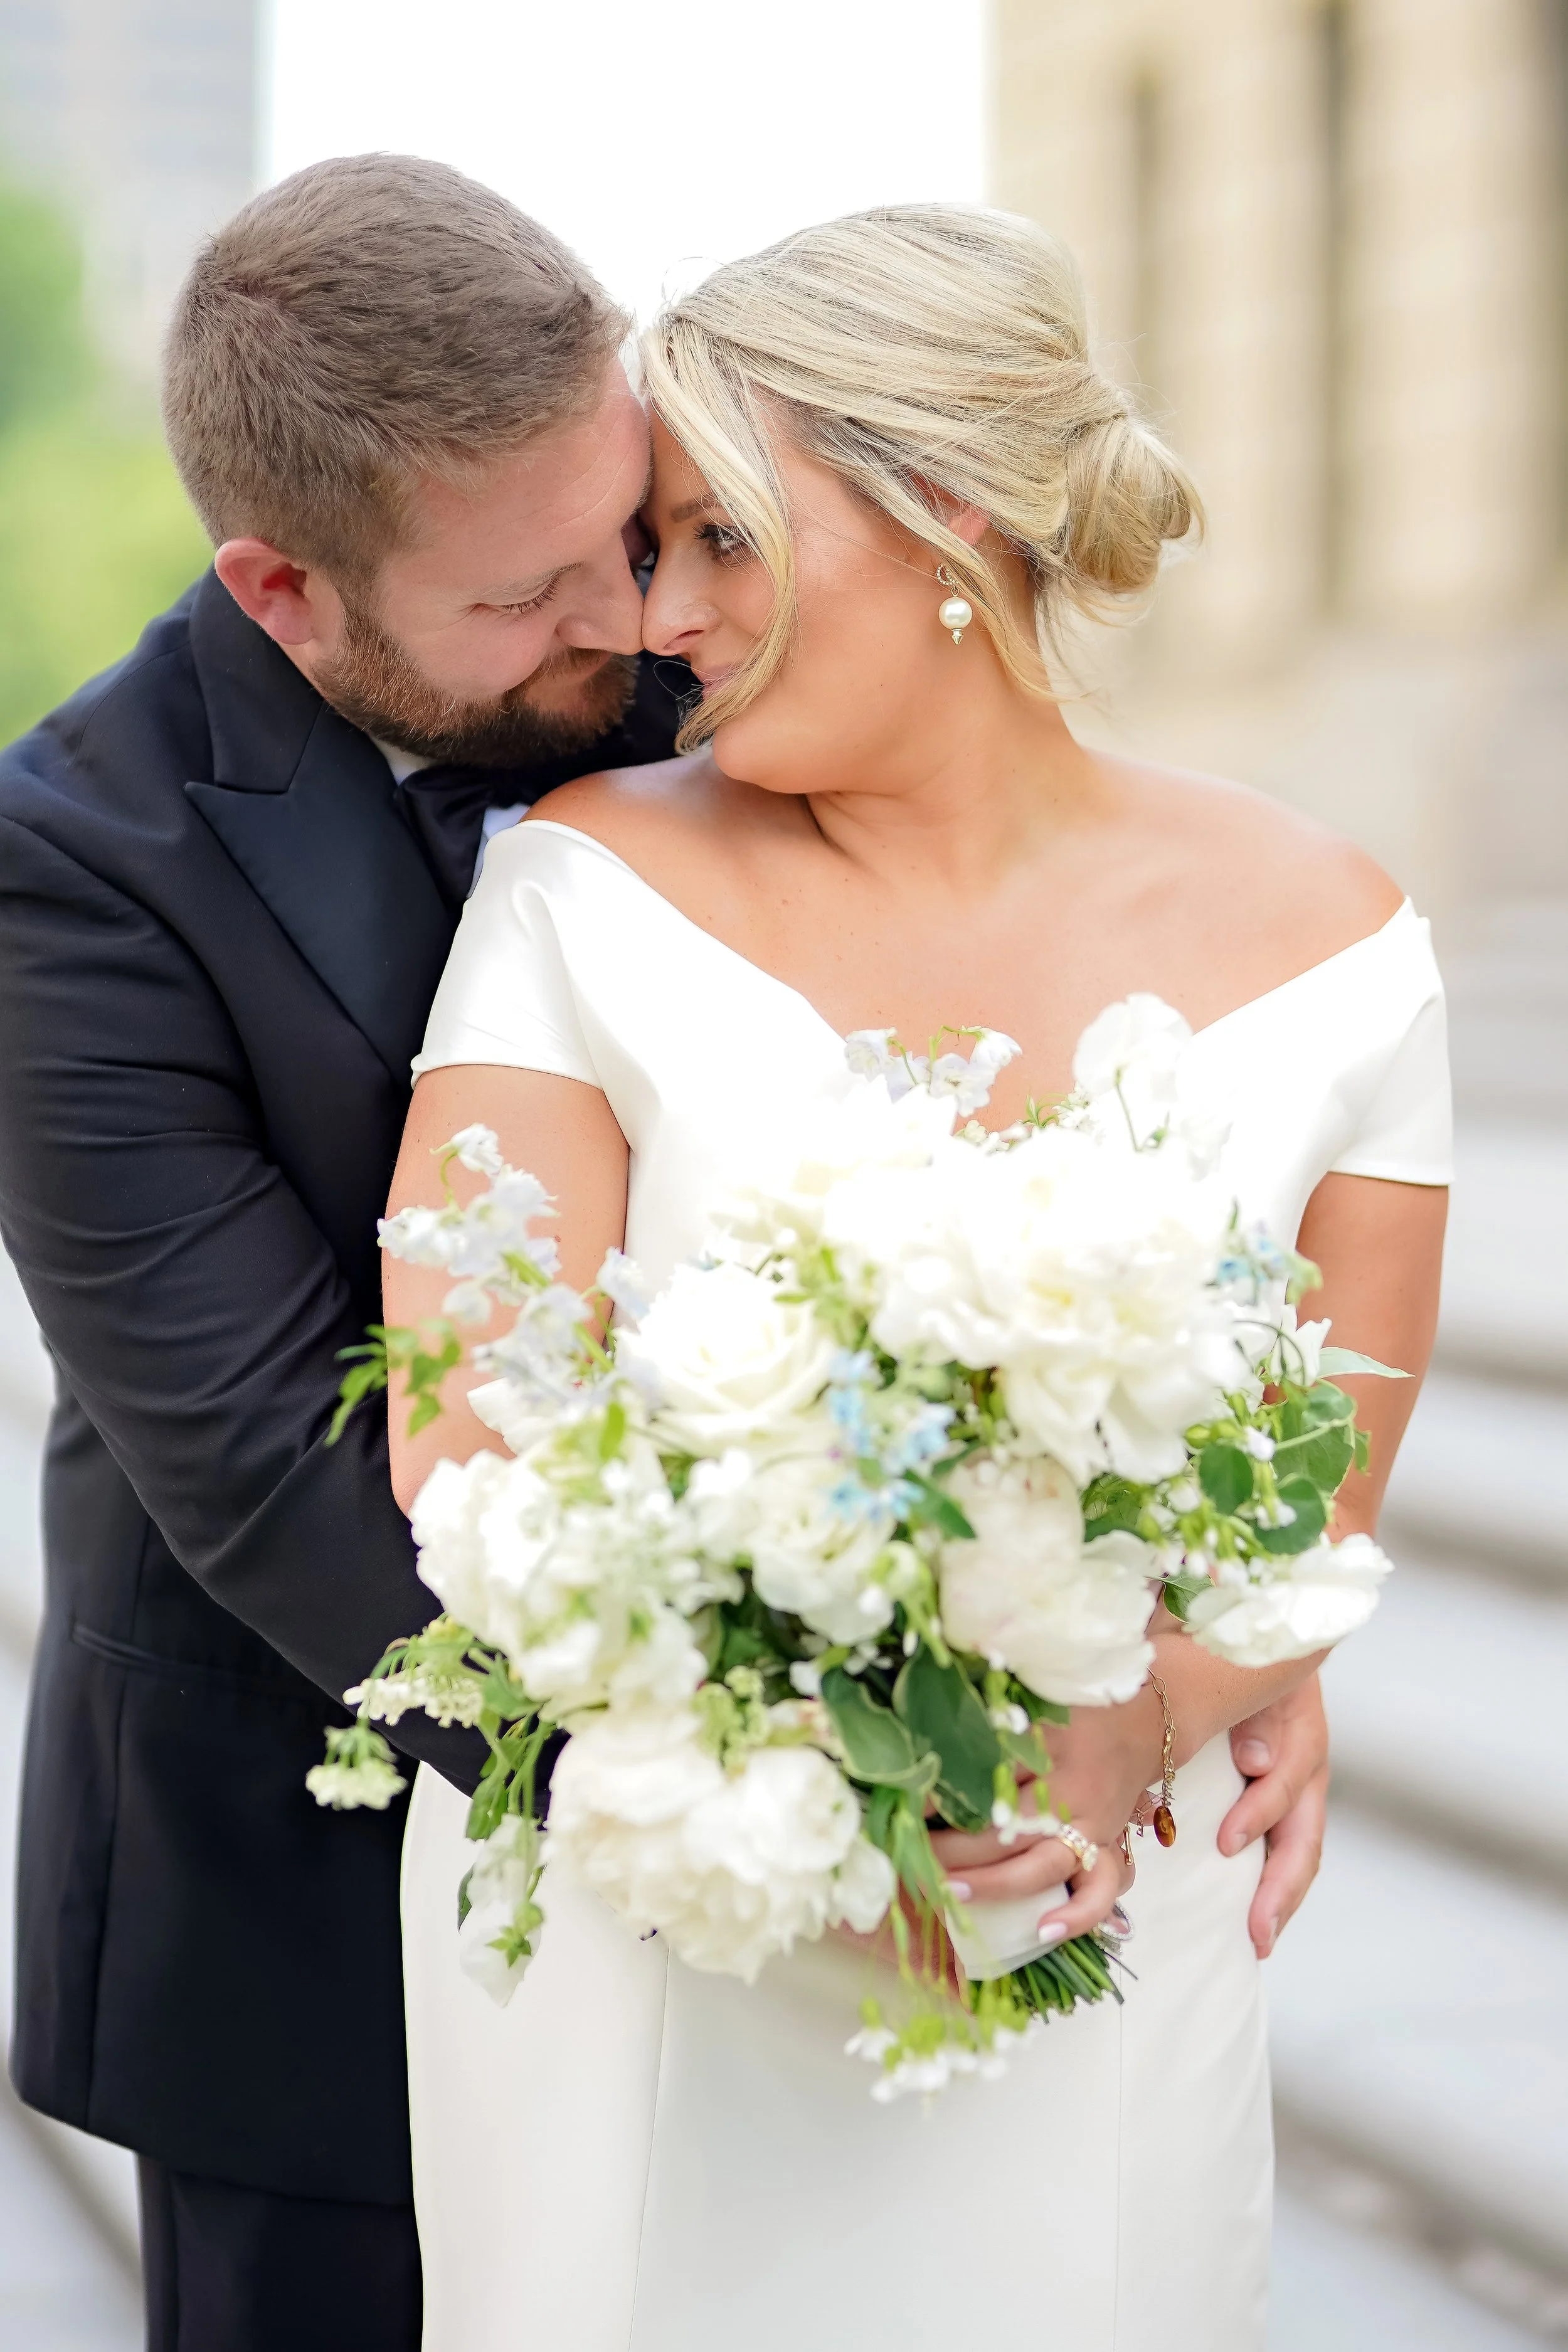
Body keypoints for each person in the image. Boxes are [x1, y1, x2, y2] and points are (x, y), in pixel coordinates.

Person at [387, 207, 1449, 2350]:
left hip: (1096, 1903)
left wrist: (1148, 1715)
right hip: (671, 1901)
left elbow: (1316, 1504)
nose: (664, 619)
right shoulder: (580, 887)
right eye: (654, 552)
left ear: (946, 509)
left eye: (721, 540)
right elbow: (468, 1430)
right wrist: (817, 1778)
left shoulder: (1343, 950)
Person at [0, 154, 688, 2351]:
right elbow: (260, 1460)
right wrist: (740, 1782)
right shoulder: (68, 864)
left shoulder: (695, 654)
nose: (628, 626)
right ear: (284, 589)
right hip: (300, 1879)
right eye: (526, 594)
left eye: (627, 533)